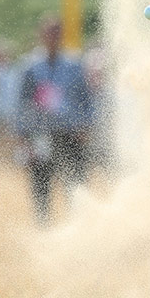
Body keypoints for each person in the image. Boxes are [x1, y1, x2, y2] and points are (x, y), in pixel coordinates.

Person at [16, 15, 95, 225]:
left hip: (70, 134)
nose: (53, 36)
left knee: (75, 184)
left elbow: (86, 98)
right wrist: (24, 138)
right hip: (41, 135)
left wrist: (87, 125)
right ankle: (43, 227)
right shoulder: (30, 67)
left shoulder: (74, 65)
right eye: (49, 32)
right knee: (41, 184)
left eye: (57, 32)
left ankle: (77, 228)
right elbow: (22, 104)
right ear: (41, 35)